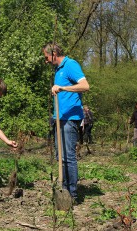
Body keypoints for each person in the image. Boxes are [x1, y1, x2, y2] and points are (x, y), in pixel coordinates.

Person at [42, 42, 90, 202]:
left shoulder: (70, 65)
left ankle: (72, 195)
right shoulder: (58, 70)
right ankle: (64, 190)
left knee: (68, 157)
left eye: (46, 57)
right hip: (59, 119)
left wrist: (62, 88)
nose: (46, 61)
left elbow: (85, 86)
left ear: (54, 53)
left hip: (70, 120)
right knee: (60, 156)